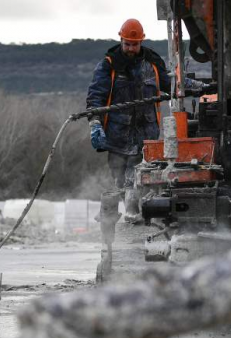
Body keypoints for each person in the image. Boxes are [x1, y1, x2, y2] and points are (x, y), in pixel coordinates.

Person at [85, 18, 205, 222]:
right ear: (121, 40)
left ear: (141, 42)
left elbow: (173, 85)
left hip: (145, 137)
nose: (131, 48)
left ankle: (135, 215)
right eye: (127, 44)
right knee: (120, 181)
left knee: (137, 178)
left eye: (135, 44)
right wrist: (95, 123)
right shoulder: (109, 66)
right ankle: (124, 214)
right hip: (117, 138)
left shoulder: (152, 64)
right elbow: (96, 97)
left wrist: (198, 87)